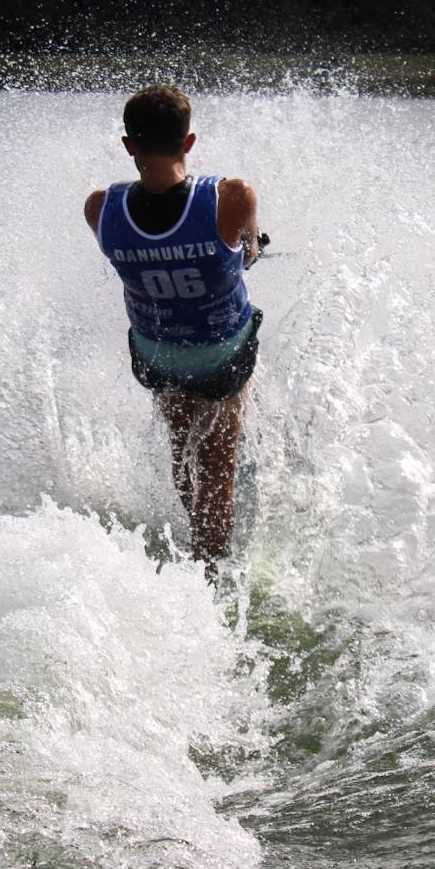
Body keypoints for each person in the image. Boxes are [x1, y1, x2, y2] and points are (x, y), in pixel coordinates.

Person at [84, 85, 261, 568]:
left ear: (129, 146)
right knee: (218, 467)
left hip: (157, 353)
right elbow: (247, 253)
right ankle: (210, 574)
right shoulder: (232, 197)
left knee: (183, 448)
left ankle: (196, 545)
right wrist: (250, 247)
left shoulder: (100, 207)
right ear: (188, 142)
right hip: (219, 354)